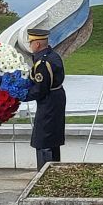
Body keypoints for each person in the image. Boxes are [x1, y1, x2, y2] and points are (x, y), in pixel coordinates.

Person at [24, 27, 66, 170]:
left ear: (37, 44)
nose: (30, 46)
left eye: (31, 43)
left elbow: (40, 90)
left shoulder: (43, 63)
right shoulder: (53, 55)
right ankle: (54, 172)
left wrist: (20, 95)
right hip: (56, 99)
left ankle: (44, 173)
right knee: (52, 138)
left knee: (43, 139)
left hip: (48, 102)